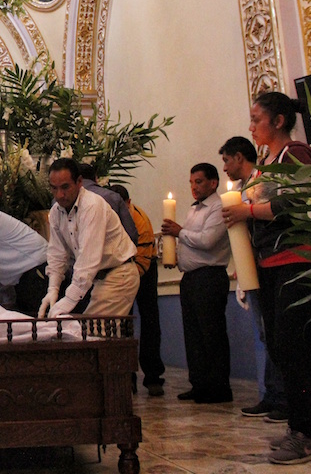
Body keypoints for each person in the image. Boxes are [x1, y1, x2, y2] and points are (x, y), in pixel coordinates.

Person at [222, 92, 311, 465]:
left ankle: (304, 433)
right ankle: (310, 426)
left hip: (298, 261)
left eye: (256, 119)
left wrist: (247, 211)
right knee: (283, 347)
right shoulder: (268, 163)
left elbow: (295, 203)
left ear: (278, 121)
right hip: (272, 263)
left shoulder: (297, 155)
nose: (251, 127)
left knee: (292, 346)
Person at [219, 136, 288, 423]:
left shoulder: (263, 180)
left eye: (226, 160)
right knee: (265, 333)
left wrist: (244, 212)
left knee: (276, 333)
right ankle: (272, 394)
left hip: (273, 261)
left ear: (239, 157)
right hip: (256, 264)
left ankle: (283, 398)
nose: (225, 167)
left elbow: (274, 214)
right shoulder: (241, 189)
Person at [161, 163, 232, 405]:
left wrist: (179, 232)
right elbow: (188, 242)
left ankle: (218, 388)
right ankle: (199, 384)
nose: (194, 187)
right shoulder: (194, 209)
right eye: (191, 182)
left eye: (199, 182)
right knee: (193, 334)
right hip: (191, 278)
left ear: (213, 183)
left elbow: (208, 241)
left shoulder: (218, 206)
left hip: (209, 277)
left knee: (211, 333)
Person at [39, 159, 138, 318]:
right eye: (54, 188)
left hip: (119, 274)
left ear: (79, 182)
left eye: (65, 187)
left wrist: (68, 300)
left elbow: (88, 260)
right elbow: (57, 255)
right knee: (88, 330)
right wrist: (52, 290)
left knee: (95, 331)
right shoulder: (56, 211)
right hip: (98, 278)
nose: (59, 195)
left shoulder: (92, 205)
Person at [111, 184, 165, 397]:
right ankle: (127, 375)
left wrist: (127, 281)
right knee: (123, 323)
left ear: (129, 203)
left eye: (121, 207)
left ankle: (153, 376)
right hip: (120, 270)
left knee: (150, 320)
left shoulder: (140, 221)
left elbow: (142, 261)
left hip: (144, 269)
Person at [80, 162, 139, 244]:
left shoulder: (66, 199)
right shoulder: (113, 197)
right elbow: (131, 234)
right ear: (96, 178)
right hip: (115, 250)